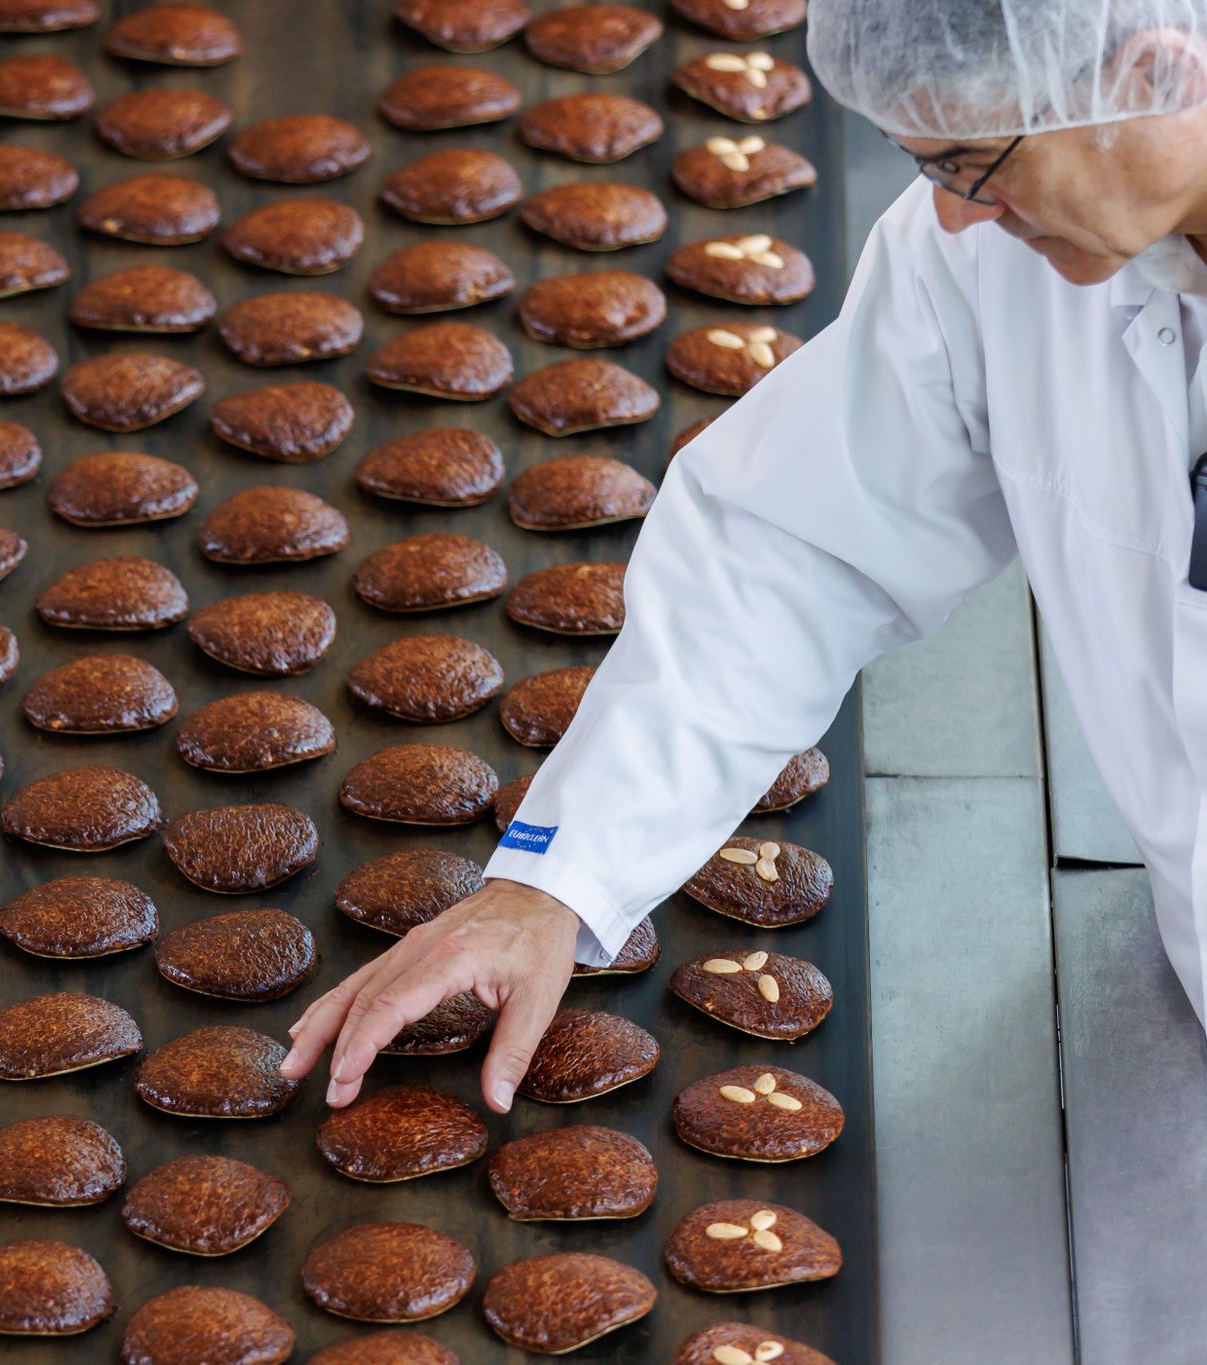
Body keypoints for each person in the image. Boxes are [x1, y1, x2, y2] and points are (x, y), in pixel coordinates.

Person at [282, 0, 1207, 1113]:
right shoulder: (986, 255)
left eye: (970, 162)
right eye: (924, 165)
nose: (956, 218)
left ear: (1157, 78)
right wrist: (556, 881)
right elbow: (790, 551)